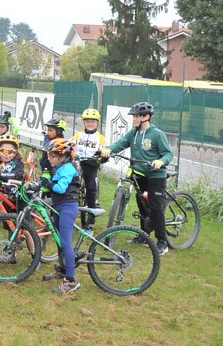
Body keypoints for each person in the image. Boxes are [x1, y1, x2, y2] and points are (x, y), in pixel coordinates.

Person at [101, 102, 174, 256]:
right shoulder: (133, 133)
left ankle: (162, 242)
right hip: (139, 174)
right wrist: (108, 149)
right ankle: (143, 236)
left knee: (155, 208)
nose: (133, 119)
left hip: (155, 175)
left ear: (146, 117)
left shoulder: (157, 134)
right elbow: (120, 144)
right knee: (141, 204)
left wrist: (160, 161)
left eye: (136, 116)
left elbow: (168, 154)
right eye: (133, 116)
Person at [40, 138, 82, 294]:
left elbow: (60, 188)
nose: (49, 158)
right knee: (59, 241)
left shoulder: (69, 169)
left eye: (53, 155)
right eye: (49, 155)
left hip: (67, 208)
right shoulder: (60, 168)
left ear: (64, 156)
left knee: (65, 242)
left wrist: (47, 183)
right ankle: (63, 270)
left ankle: (71, 281)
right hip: (60, 207)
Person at [73, 108, 106, 229]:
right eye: (87, 121)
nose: (90, 124)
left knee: (91, 190)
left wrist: (103, 156)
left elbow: (104, 150)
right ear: (84, 123)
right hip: (78, 164)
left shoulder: (100, 137)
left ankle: (90, 223)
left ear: (97, 123)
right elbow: (70, 145)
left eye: (93, 121)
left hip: (91, 166)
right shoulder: (78, 135)